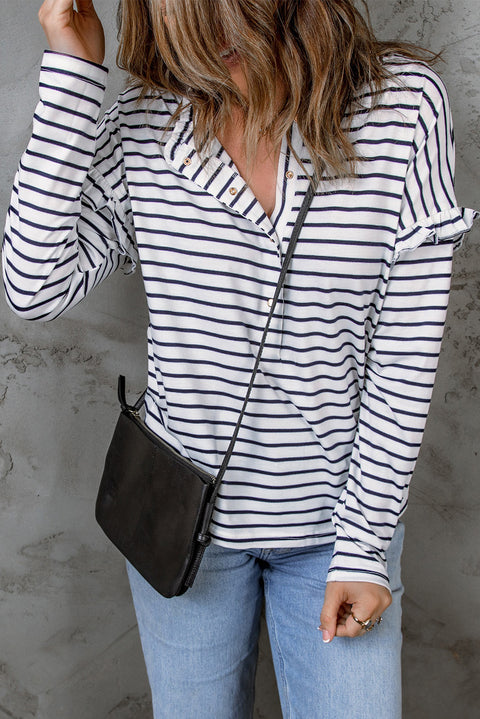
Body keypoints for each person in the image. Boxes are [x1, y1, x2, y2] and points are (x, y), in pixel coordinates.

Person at [2, 1, 477, 717]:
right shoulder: (143, 125)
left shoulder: (403, 108)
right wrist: (73, 70)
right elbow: (33, 286)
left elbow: (405, 354)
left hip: (339, 525)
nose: (220, 38)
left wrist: (363, 544)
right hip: (179, 522)